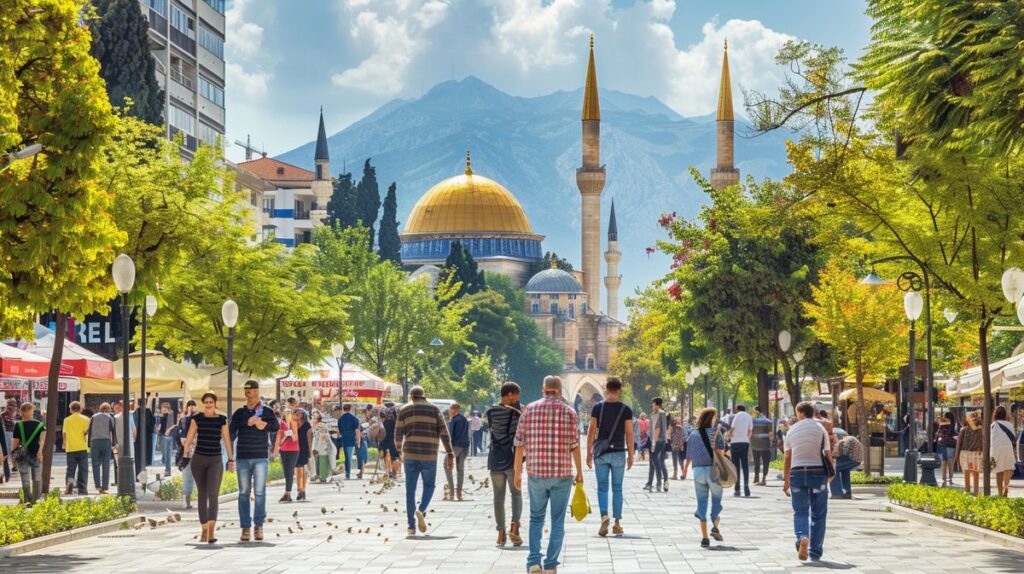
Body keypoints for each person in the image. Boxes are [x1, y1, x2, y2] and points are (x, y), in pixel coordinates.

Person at [513, 376, 583, 574]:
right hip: (562, 474)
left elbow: (519, 444)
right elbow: (574, 446)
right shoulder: (569, 412)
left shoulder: (529, 410)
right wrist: (579, 473)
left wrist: (517, 473)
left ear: (543, 389)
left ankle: (534, 561)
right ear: (559, 391)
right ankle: (551, 564)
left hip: (536, 472)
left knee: (536, 518)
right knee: (557, 520)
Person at [394, 386, 454, 536]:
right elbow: (444, 433)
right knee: (429, 486)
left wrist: (399, 451)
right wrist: (450, 452)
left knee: (410, 490)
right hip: (429, 455)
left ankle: (411, 526)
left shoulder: (405, 409)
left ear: (411, 396)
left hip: (410, 455)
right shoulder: (434, 409)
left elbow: (398, 433)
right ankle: (420, 510)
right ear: (424, 395)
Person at [181, 392, 234, 544]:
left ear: (215, 403)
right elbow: (190, 439)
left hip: (215, 460)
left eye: (211, 402)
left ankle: (211, 531)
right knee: (202, 495)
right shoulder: (196, 419)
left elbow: (227, 440)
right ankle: (203, 529)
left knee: (213, 494)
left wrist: (231, 459)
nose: (209, 404)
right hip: (198, 460)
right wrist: (185, 454)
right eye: (206, 402)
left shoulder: (221, 420)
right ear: (203, 404)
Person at [783, 401, 834, 562]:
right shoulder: (821, 429)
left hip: (797, 474)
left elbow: (787, 457)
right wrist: (830, 473)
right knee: (819, 514)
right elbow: (827, 453)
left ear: (800, 413)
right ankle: (815, 551)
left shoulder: (792, 430)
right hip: (818, 474)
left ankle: (802, 536)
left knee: (800, 512)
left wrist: (786, 481)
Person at [229, 380, 279, 542]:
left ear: (257, 391)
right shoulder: (240, 413)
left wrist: (263, 425)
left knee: (259, 492)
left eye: (250, 391)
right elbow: (230, 432)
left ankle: (258, 526)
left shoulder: (266, 411)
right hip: (243, 456)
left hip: (260, 457)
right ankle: (245, 527)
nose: (248, 393)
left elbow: (276, 426)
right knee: (243, 493)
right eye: (246, 391)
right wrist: (246, 422)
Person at [586, 376, 634, 537]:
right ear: (620, 390)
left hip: (601, 452)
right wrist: (631, 455)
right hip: (619, 451)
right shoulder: (626, 409)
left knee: (602, 487)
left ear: (606, 389)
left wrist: (588, 453)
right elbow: (629, 433)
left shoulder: (598, 408)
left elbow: (591, 431)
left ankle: (604, 515)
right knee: (618, 488)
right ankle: (617, 523)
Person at [681, 407, 726, 548]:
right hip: (713, 471)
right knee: (716, 500)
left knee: (702, 503)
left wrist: (685, 470)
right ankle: (715, 525)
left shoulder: (693, 434)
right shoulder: (716, 433)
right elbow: (721, 453)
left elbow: (688, 455)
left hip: (698, 471)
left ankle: (705, 538)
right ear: (711, 418)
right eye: (714, 417)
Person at [486, 382, 524, 547]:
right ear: (510, 394)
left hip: (495, 458)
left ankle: (501, 533)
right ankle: (514, 527)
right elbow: (520, 435)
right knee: (516, 494)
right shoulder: (517, 412)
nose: (518, 398)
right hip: (511, 458)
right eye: (516, 395)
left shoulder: (491, 411)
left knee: (498, 497)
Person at [11, 403, 44, 505]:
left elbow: (15, 441)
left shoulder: (18, 425)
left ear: (22, 412)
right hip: (35, 454)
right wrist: (40, 451)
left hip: (22, 456)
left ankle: (27, 500)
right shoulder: (40, 425)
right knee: (37, 478)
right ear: (30, 411)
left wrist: (13, 455)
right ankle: (37, 499)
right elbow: (42, 440)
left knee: (25, 478)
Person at [62, 401, 90, 495]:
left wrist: (64, 443)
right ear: (80, 409)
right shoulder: (86, 419)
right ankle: (82, 489)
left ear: (70, 410)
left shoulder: (66, 420)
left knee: (70, 469)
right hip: (83, 447)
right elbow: (86, 433)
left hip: (70, 448)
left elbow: (64, 433)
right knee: (83, 469)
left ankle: (69, 484)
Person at [88, 403, 116, 494]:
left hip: (94, 442)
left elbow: (90, 430)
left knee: (95, 464)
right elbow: (112, 430)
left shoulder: (93, 417)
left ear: (100, 408)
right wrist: (114, 443)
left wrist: (89, 443)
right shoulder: (109, 417)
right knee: (106, 464)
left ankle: (98, 486)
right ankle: (105, 486)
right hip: (106, 441)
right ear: (109, 409)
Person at [953, 410, 983, 496]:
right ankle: (976, 493)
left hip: (965, 453)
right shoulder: (981, 429)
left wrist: (956, 456)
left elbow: (959, 444)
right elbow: (983, 442)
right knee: (975, 474)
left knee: (967, 473)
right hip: (977, 453)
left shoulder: (964, 429)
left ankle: (967, 491)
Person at [273, 409, 300, 502]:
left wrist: (290, 429)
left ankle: (288, 492)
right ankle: (287, 492)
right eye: (286, 413)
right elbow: (279, 438)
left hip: (293, 450)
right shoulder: (281, 424)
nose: (287, 415)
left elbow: (295, 438)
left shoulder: (294, 423)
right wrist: (276, 451)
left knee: (290, 471)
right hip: (284, 450)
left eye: (289, 413)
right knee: (286, 471)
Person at [991, 405, 1018, 497]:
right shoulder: (1010, 425)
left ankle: (999, 493)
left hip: (995, 450)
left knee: (998, 471)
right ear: (1005, 415)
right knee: (1008, 468)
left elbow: (990, 439)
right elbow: (1014, 439)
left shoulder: (993, 425)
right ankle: (1005, 487)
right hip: (1008, 448)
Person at [444, 403, 469, 501]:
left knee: (446, 465)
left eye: (452, 408)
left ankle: (451, 491)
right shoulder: (464, 419)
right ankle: (459, 493)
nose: (451, 410)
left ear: (455, 409)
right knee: (460, 468)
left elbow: (450, 436)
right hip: (465, 446)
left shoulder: (453, 420)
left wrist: (449, 451)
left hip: (455, 446)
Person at [643, 397, 669, 493]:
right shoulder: (652, 414)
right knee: (654, 461)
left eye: (653, 404)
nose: (652, 405)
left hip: (659, 441)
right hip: (653, 440)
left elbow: (658, 429)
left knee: (657, 461)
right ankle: (651, 483)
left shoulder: (661, 414)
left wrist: (654, 444)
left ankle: (659, 483)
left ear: (658, 404)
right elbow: (651, 429)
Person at [829, 429, 862, 499]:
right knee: (845, 471)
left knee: (834, 468)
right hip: (855, 459)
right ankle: (847, 492)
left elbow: (845, 452)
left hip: (852, 459)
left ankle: (836, 493)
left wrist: (834, 454)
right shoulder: (850, 439)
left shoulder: (848, 439)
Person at [729, 404, 753, 497]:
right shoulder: (749, 416)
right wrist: (747, 438)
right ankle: (746, 486)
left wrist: (729, 436)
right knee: (745, 465)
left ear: (737, 409)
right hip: (745, 442)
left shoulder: (736, 416)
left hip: (735, 443)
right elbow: (750, 430)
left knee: (736, 466)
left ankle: (737, 488)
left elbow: (732, 428)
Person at [177, 400, 197, 509]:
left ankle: (195, 500)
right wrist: (188, 415)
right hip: (187, 453)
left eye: (193, 405)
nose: (191, 407)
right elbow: (182, 433)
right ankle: (187, 501)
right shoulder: (183, 419)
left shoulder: (199, 418)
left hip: (197, 451)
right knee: (187, 476)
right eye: (189, 405)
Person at [337, 404, 362, 480]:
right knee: (349, 457)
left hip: (344, 439)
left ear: (343, 409)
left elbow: (340, 432)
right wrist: (359, 441)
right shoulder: (354, 418)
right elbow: (357, 431)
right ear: (350, 409)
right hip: (351, 439)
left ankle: (347, 473)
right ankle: (348, 473)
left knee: (347, 456)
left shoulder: (340, 419)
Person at [112, 401, 135, 485]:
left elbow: (133, 430)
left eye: (118, 408)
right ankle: (122, 480)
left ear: (122, 407)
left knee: (121, 462)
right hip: (121, 443)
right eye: (115, 409)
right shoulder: (116, 417)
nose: (116, 410)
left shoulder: (127, 416)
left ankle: (122, 480)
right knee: (120, 462)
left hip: (124, 443)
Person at [751, 406, 774, 486]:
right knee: (765, 462)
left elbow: (750, 432)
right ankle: (764, 478)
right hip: (765, 444)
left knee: (756, 461)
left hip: (755, 443)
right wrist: (770, 443)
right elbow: (770, 434)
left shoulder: (752, 421)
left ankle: (756, 476)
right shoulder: (768, 421)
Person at [934, 412, 958, 487]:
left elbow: (937, 434)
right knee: (950, 461)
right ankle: (950, 478)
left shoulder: (942, 425)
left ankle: (944, 478)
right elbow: (956, 434)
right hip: (951, 444)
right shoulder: (954, 425)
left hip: (943, 444)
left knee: (944, 462)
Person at [378, 402, 400, 479]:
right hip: (392, 438)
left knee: (383, 455)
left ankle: (387, 472)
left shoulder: (382, 412)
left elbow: (379, 423)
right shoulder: (395, 414)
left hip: (383, 437)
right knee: (395, 457)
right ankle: (394, 473)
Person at [311, 412, 334, 483]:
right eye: (313, 416)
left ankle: (322, 476)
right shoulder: (313, 425)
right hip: (316, 446)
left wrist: (317, 448)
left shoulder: (321, 425)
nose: (313, 418)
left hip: (321, 446)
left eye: (315, 417)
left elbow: (323, 436)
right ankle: (318, 475)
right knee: (317, 461)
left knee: (321, 461)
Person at [295, 409, 312, 499]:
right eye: (295, 413)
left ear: (303, 414)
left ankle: (303, 489)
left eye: (298, 413)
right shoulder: (293, 424)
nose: (296, 414)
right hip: (294, 448)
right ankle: (299, 489)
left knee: (303, 469)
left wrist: (310, 452)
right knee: (298, 469)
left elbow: (309, 439)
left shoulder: (307, 425)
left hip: (304, 448)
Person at [157, 403, 177, 476]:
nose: (163, 409)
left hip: (168, 435)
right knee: (163, 451)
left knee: (167, 453)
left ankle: (168, 470)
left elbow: (175, 424)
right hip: (161, 434)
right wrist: (158, 427)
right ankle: (165, 463)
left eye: (165, 408)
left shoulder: (171, 414)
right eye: (162, 408)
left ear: (168, 408)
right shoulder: (161, 416)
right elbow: (160, 424)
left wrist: (168, 430)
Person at [670, 415, 686, 480]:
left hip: (675, 445)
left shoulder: (675, 428)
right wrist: (681, 445)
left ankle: (675, 475)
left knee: (675, 460)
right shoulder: (681, 428)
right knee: (680, 460)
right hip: (679, 446)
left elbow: (675, 437)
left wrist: (673, 444)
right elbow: (682, 437)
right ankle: (683, 474)